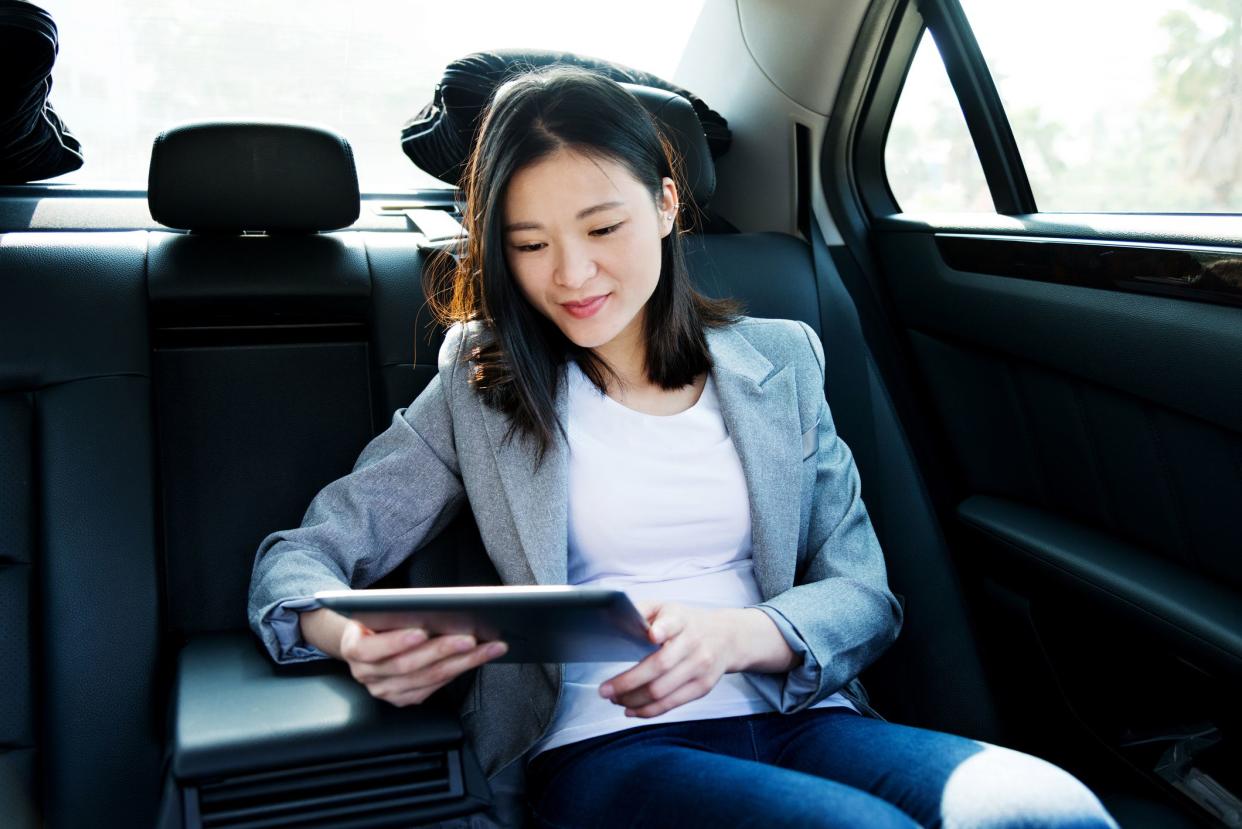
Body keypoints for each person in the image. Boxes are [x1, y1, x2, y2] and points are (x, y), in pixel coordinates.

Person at [248, 66, 1118, 828]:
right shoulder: (481, 385)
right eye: (529, 245)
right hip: (602, 748)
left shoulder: (781, 361)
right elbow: (303, 554)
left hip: (805, 715)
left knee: (1046, 809)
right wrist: (342, 635)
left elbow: (863, 593)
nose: (572, 275)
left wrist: (739, 635)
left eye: (601, 228)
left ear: (665, 204)